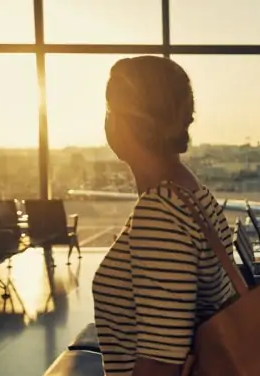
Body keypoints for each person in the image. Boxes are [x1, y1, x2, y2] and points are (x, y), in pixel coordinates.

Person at [91, 56, 236, 376]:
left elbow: (160, 363)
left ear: (127, 121)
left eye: (109, 109)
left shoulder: (161, 213)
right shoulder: (191, 194)